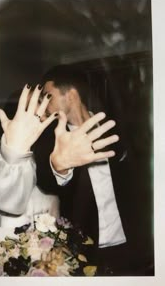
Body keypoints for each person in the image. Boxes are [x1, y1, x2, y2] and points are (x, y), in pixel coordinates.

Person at [0, 79, 119, 250]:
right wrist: (15, 152)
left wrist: (61, 166)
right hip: (15, 246)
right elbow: (10, 202)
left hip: (53, 243)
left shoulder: (51, 140)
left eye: (45, 98)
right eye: (38, 100)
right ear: (19, 110)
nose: (46, 104)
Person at [33, 64, 134, 275]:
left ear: (70, 95)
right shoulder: (49, 142)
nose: (44, 104)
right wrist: (59, 166)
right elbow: (45, 180)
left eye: (48, 96)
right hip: (85, 249)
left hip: (131, 242)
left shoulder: (116, 127)